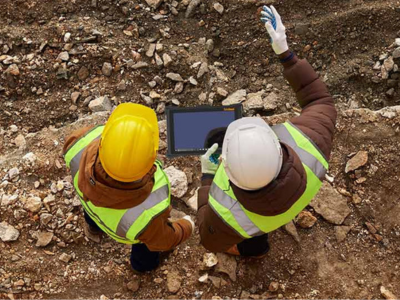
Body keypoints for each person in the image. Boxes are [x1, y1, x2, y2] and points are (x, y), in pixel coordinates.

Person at [197, 6, 337, 257]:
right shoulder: (312, 146)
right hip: (291, 199)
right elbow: (320, 101)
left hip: (252, 222)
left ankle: (253, 251)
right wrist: (285, 53)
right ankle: (257, 249)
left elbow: (208, 240)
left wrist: (207, 178)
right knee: (257, 227)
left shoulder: (225, 210)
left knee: (250, 231)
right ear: (277, 146)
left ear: (225, 169)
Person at [63, 103, 194, 272]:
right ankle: (142, 267)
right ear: (149, 162)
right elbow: (163, 240)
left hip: (90, 200)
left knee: (91, 205)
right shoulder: (148, 213)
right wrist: (186, 226)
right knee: (145, 244)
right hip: (134, 230)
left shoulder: (81, 141)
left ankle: (93, 227)